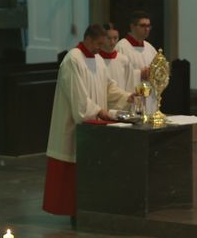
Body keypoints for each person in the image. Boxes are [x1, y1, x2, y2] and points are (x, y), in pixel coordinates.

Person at [42, 24, 131, 217]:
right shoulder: (73, 60)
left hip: (93, 126)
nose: (100, 48)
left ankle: (88, 211)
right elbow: (79, 99)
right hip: (73, 126)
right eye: (98, 44)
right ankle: (75, 213)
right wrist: (99, 111)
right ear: (88, 39)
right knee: (73, 172)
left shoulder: (97, 59)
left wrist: (127, 97)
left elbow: (108, 87)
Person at [114, 11, 157, 82]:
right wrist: (139, 74)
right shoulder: (121, 47)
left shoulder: (150, 48)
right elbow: (117, 75)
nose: (147, 29)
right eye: (143, 26)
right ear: (132, 26)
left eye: (148, 26)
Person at [100, 23, 136, 94]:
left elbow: (130, 85)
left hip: (121, 100)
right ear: (101, 38)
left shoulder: (124, 60)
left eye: (115, 38)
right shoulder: (96, 59)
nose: (112, 42)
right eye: (109, 38)